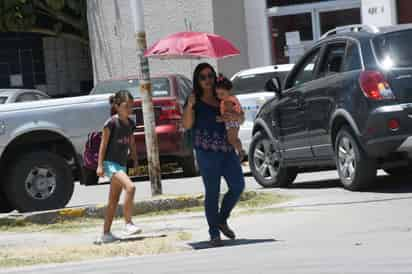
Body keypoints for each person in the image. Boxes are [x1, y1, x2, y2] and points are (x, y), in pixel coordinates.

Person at [183, 63, 245, 247]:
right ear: (197, 80)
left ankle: (221, 219)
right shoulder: (193, 100)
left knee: (238, 185)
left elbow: (241, 117)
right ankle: (214, 233)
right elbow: (186, 125)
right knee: (212, 192)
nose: (207, 80)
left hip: (226, 149)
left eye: (210, 76)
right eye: (202, 77)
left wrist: (234, 117)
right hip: (206, 151)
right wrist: (190, 106)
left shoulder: (223, 96)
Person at [96, 90, 141, 244]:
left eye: (131, 106)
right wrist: (100, 166)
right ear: (117, 106)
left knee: (113, 200)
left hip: (121, 164)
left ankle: (106, 234)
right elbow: (103, 145)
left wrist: (135, 158)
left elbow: (132, 141)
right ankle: (128, 224)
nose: (129, 109)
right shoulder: (111, 123)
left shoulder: (130, 123)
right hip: (110, 164)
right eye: (126, 106)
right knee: (131, 187)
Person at [215, 74, 245, 160]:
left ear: (229, 91)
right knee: (234, 138)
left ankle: (240, 151)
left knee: (232, 139)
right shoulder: (228, 99)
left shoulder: (228, 101)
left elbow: (229, 114)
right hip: (233, 122)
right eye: (217, 94)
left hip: (232, 122)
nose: (219, 96)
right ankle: (240, 150)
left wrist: (221, 119)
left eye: (221, 94)